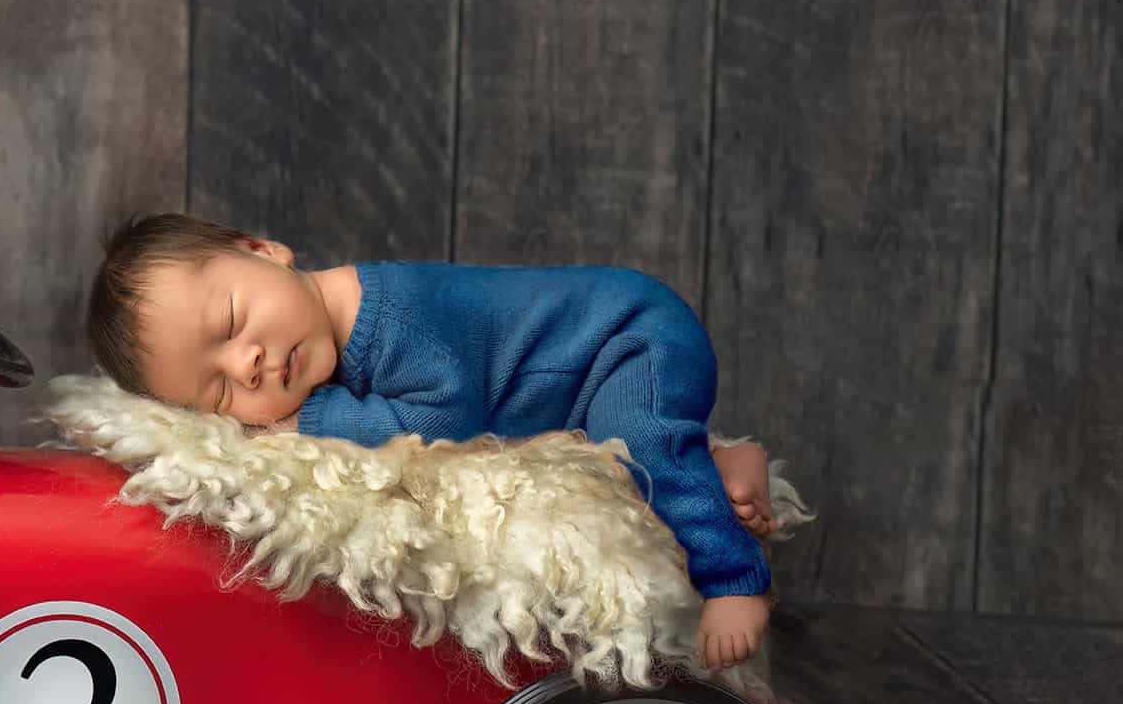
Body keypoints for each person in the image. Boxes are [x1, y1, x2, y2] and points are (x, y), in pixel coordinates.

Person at [84, 213, 778, 671]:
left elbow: (445, 419)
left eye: (233, 320)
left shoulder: (392, 314)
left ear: (263, 250)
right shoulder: (325, 341)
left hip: (627, 338)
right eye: (219, 392)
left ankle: (735, 576)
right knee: (623, 471)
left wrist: (311, 423)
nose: (248, 363)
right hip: (576, 395)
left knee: (646, 444)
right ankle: (720, 462)